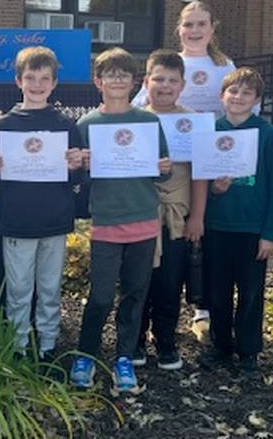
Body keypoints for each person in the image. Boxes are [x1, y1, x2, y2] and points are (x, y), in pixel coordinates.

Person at [133, 0, 240, 343]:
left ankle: (201, 311)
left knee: (200, 241)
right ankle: (154, 323)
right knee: (171, 252)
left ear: (212, 28)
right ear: (179, 29)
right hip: (168, 169)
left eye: (201, 24)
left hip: (208, 162)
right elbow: (137, 106)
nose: (194, 30)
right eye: (188, 24)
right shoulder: (167, 65)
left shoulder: (225, 66)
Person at [69, 48, 171, 392]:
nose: (116, 79)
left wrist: (163, 168)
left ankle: (124, 357)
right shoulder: (85, 125)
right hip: (106, 222)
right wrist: (78, 164)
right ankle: (86, 353)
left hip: (143, 219)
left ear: (134, 81)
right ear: (98, 81)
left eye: (123, 74)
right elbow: (78, 180)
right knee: (99, 296)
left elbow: (160, 171)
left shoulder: (148, 121)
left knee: (134, 293)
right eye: (110, 74)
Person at [0, 46, 84, 361]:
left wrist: (75, 166)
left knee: (50, 288)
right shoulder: (4, 126)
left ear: (54, 84)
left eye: (45, 78)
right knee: (18, 290)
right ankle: (17, 345)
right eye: (31, 78)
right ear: (18, 81)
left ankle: (47, 344)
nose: (38, 84)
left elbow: (74, 180)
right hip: (17, 221)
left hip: (54, 218)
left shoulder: (66, 125)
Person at [197, 67, 273, 378]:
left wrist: (270, 233)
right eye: (233, 91)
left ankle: (248, 350)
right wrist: (215, 190)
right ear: (222, 96)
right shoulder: (209, 131)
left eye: (247, 93)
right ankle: (221, 345)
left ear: (257, 100)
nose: (239, 97)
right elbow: (200, 182)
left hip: (252, 228)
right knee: (217, 291)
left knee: (250, 292)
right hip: (218, 226)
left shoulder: (267, 134)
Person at [136, 49, 201, 371]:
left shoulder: (193, 121)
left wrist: (198, 216)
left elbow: (201, 174)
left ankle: (165, 340)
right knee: (137, 278)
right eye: (158, 79)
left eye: (172, 80)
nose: (164, 86)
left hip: (176, 214)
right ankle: (134, 339)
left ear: (182, 85)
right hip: (139, 210)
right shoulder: (133, 120)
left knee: (170, 280)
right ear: (146, 82)